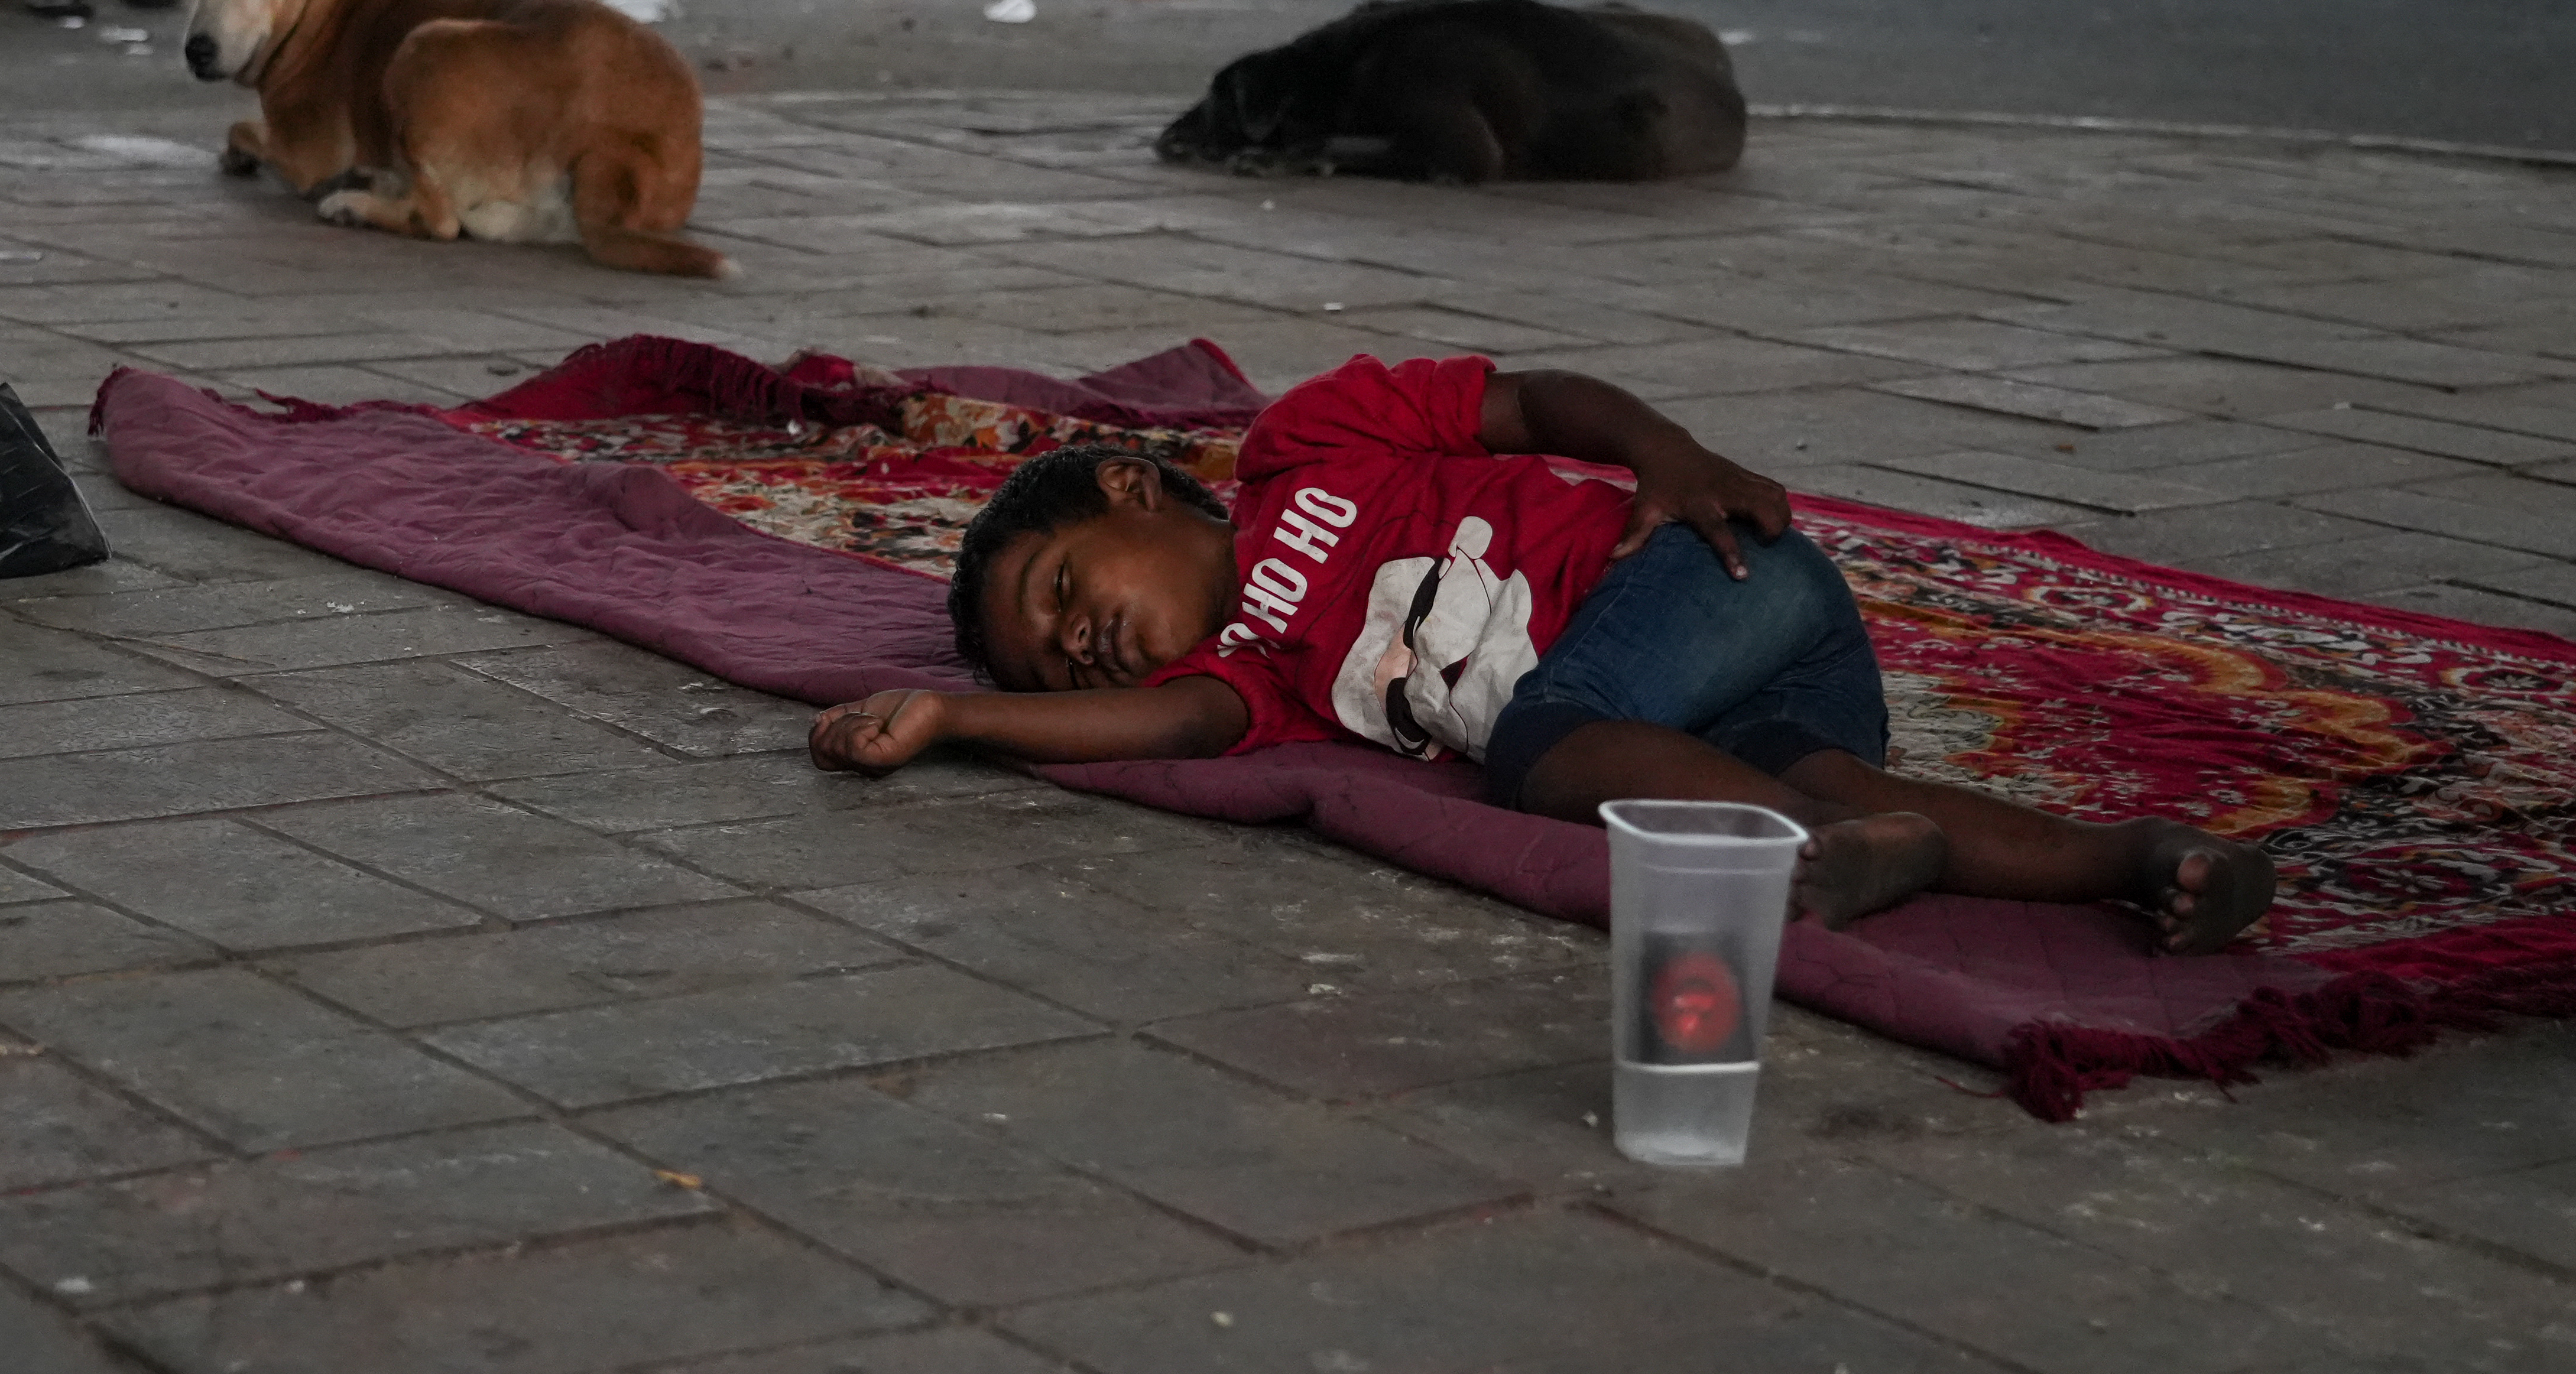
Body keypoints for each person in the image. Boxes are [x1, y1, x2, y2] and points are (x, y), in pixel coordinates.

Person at [810, 353, 2282, 955]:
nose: (1076, 644)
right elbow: (1161, 733)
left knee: (1535, 748)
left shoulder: (1306, 445)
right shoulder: (1250, 681)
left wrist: (1669, 454)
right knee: (1795, 765)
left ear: (1129, 488)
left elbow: (1523, 404)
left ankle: (1816, 837)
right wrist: (954, 720)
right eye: (1055, 660)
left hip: (1699, 573)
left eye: (1065, 590)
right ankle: (2140, 861)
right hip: (1755, 680)